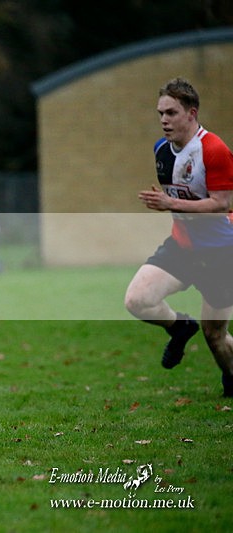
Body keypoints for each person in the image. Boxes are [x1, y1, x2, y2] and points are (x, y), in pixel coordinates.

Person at [124, 77, 233, 398]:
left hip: (220, 253)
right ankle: (179, 327)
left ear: (191, 113)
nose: (164, 120)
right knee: (137, 301)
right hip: (182, 247)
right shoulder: (161, 149)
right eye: (160, 113)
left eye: (171, 113)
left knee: (215, 335)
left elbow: (222, 203)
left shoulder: (214, 150)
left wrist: (171, 203)